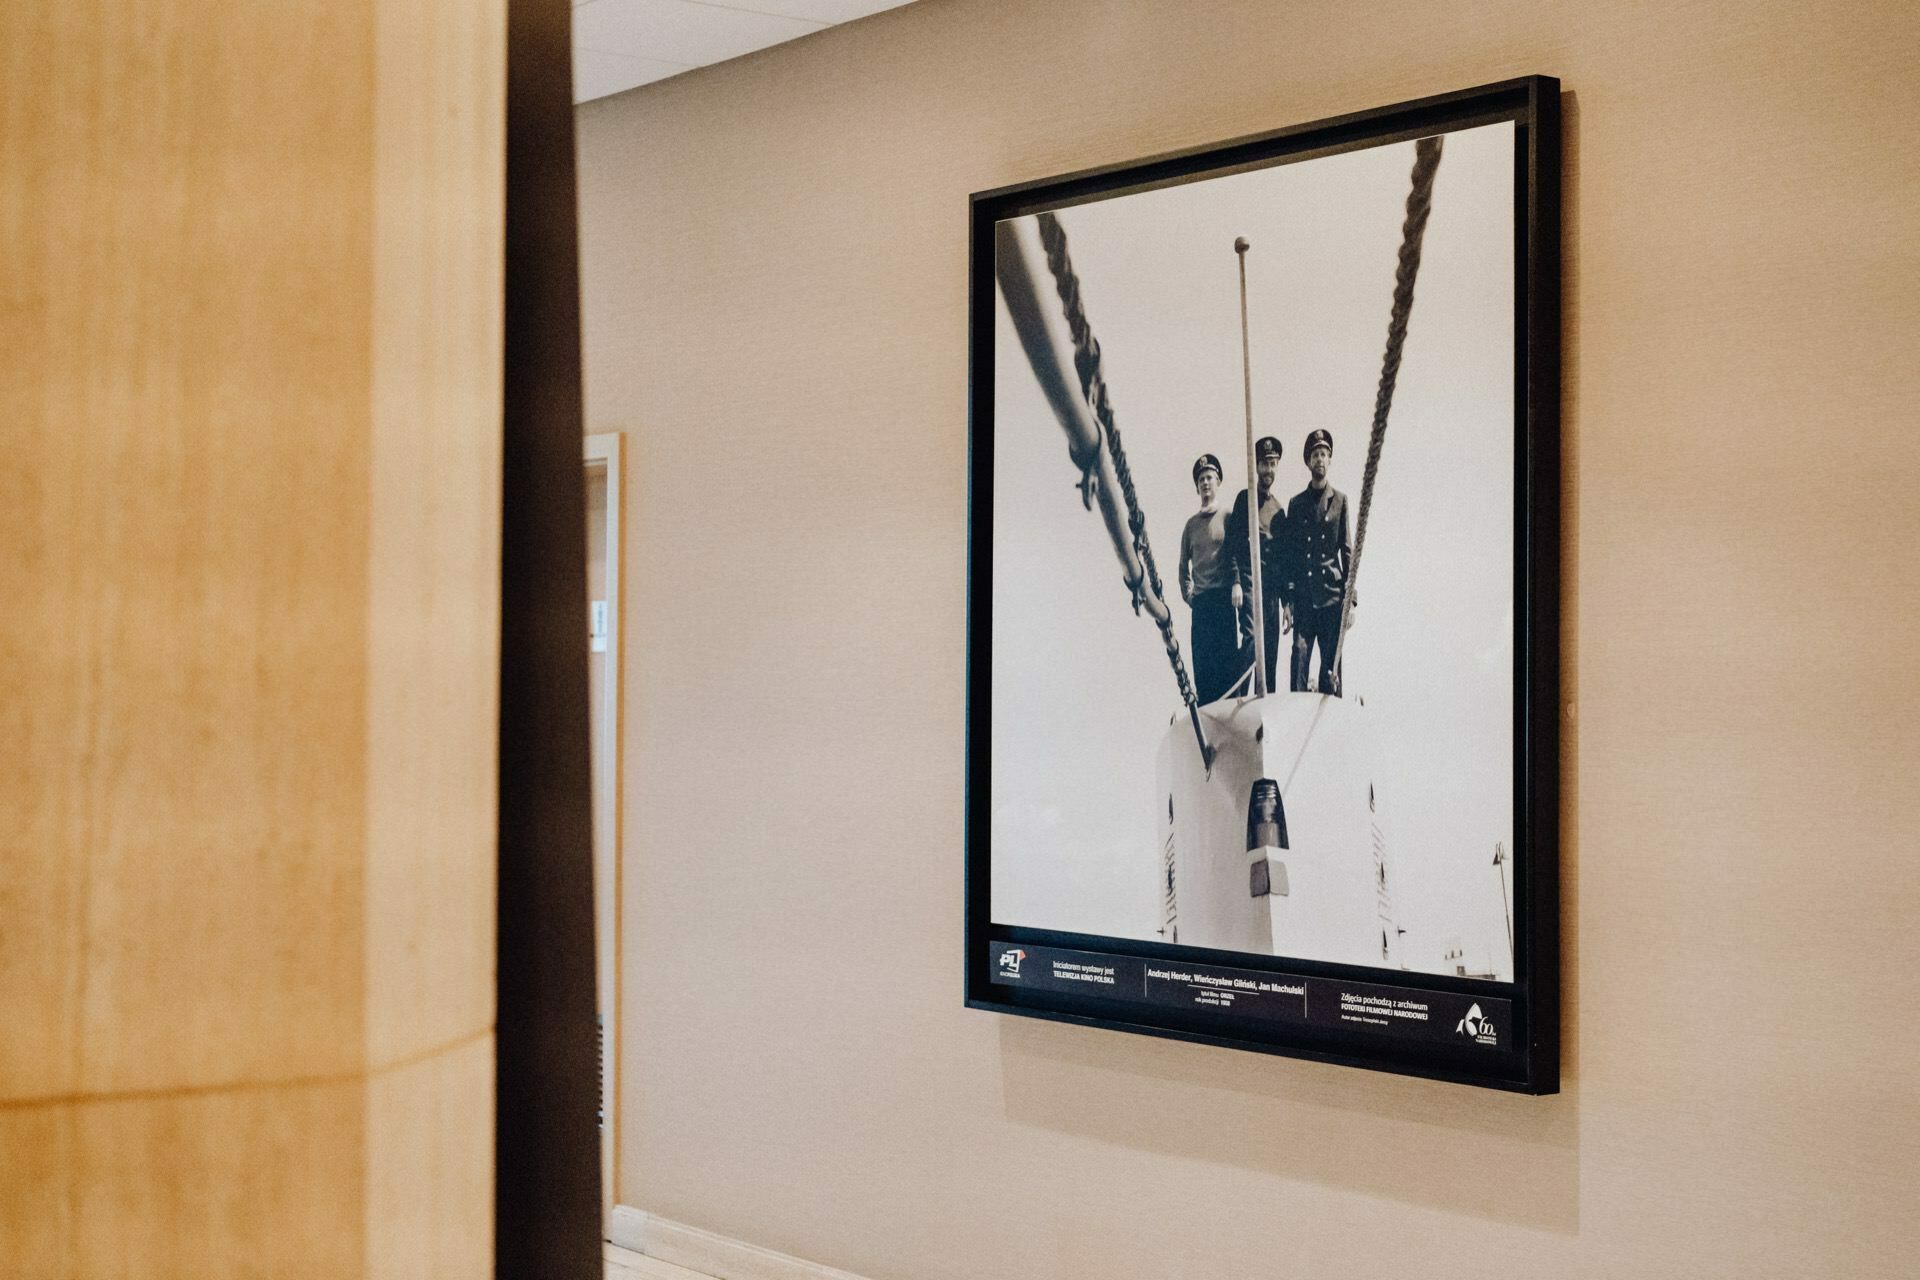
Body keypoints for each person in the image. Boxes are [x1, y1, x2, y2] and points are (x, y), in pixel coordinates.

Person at [1287, 428, 1353, 696]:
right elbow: (1291, 556)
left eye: (1325, 454)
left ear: (1330, 459)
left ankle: (1331, 722)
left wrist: (1350, 602)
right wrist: (1289, 602)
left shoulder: (1340, 501)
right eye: (1315, 455)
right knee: (1299, 655)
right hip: (1304, 598)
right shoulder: (1297, 504)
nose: (1320, 460)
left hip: (1331, 599)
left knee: (1331, 668)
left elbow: (1347, 551)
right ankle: (1296, 712)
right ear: (1308, 461)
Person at [1225, 436, 1290, 696]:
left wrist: (1287, 602)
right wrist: (1237, 581)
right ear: (1257, 467)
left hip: (1272, 589)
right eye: (1265, 464)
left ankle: (1269, 699)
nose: (1269, 470)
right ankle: (1241, 697)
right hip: (1250, 581)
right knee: (1252, 639)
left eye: (1273, 464)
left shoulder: (1279, 510)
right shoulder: (1245, 500)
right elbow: (1233, 545)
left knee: (1271, 647)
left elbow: (1283, 560)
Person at [1178, 453, 1238, 704]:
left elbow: (1236, 553)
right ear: (1197, 486)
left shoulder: (1228, 517)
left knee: (1226, 664)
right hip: (1202, 605)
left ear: (1218, 482)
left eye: (1210, 478)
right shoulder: (1190, 525)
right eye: (1201, 479)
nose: (1205, 483)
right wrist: (1190, 596)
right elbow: (1183, 567)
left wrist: (1236, 583)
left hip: (1224, 600)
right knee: (1203, 667)